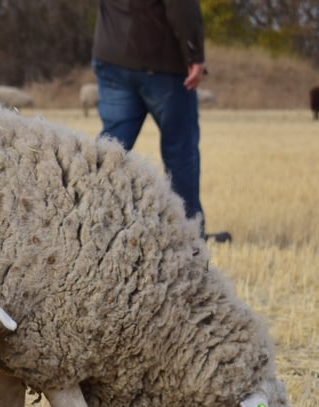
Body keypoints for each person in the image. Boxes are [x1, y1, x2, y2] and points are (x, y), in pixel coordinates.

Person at [92, 0, 231, 242]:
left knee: (110, 148)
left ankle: (89, 223)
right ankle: (188, 234)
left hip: (112, 54)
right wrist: (194, 53)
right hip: (161, 62)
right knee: (180, 150)